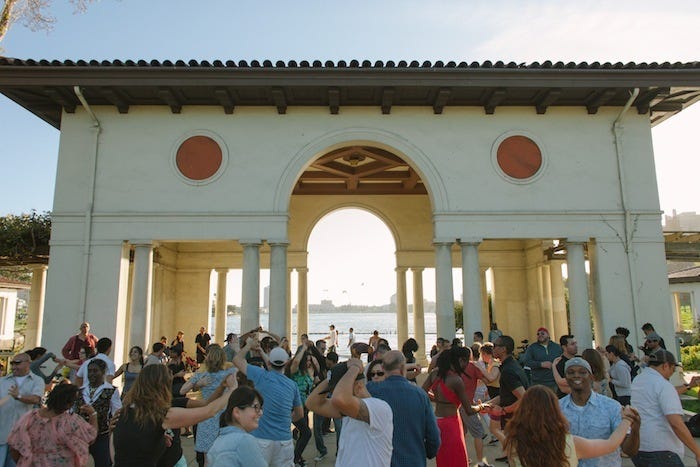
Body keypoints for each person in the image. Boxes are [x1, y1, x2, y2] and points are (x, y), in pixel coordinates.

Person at [113, 363, 236, 467]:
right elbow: (209, 411)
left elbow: (115, 452)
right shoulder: (161, 415)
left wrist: (158, 440)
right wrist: (232, 389)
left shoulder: (124, 412)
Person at [505, 385, 636, 466]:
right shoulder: (569, 443)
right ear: (555, 411)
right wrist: (627, 420)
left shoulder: (513, 443)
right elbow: (611, 445)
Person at [306, 359, 394, 467]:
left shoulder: (379, 408)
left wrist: (354, 368)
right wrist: (333, 376)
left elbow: (340, 399)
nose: (333, 395)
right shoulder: (347, 412)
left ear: (358, 387)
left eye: (338, 390)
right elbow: (312, 403)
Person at [233, 335, 303, 466]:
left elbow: (237, 360)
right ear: (286, 363)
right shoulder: (292, 385)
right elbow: (300, 414)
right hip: (284, 441)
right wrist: (286, 418)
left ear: (269, 362)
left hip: (261, 439)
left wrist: (249, 345)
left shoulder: (260, 376)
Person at [559, 357, 641, 467]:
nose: (576, 375)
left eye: (582, 372)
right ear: (565, 378)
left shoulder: (611, 407)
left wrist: (635, 430)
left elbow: (629, 450)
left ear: (591, 377)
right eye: (571, 372)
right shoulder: (557, 408)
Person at [367, 350, 440, 467]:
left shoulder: (372, 390)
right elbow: (434, 437)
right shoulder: (420, 395)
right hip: (414, 460)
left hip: (382, 461)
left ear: (383, 369)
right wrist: (424, 452)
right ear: (402, 368)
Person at [631, 349, 700, 466]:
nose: (672, 373)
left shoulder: (638, 380)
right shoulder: (663, 385)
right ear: (665, 365)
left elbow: (663, 393)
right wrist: (697, 452)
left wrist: (689, 386)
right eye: (673, 369)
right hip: (662, 449)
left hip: (639, 447)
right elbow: (676, 423)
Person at [422, 348, 486, 467]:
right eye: (467, 362)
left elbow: (422, 392)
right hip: (452, 423)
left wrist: (437, 399)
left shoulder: (435, 373)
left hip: (437, 421)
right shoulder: (456, 380)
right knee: (457, 459)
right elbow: (469, 410)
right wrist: (482, 406)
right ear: (461, 360)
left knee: (443, 459)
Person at [7, 383, 97, 466]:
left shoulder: (30, 417)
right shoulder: (71, 422)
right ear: (68, 404)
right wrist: (93, 414)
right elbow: (90, 437)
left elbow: (14, 446)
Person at [179, 344, 236, 466]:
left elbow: (182, 391)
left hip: (207, 416)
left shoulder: (202, 374)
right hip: (225, 416)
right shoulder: (230, 372)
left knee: (207, 458)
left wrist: (198, 384)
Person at [484, 335, 528, 463]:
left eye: (495, 346)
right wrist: (487, 404)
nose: (493, 348)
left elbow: (524, 397)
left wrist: (503, 410)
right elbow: (506, 394)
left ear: (503, 349)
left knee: (516, 459)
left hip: (515, 420)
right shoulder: (511, 365)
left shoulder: (508, 370)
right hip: (515, 420)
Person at [0, 352, 45, 467]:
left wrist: (18, 396)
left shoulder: (37, 381)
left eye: (17, 363)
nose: (14, 366)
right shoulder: (2, 381)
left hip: (21, 436)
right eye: (12, 363)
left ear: (28, 363)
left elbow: (36, 399)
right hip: (2, 433)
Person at [207, 386, 267, 467]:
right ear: (237, 412)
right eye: (256, 407)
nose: (261, 413)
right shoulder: (244, 440)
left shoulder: (218, 442)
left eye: (260, 408)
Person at [79, 358, 121, 467]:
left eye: (95, 371)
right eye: (89, 371)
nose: (91, 374)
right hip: (80, 436)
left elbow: (117, 413)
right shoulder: (81, 391)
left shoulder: (111, 391)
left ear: (103, 372)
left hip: (102, 436)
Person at [287, 341, 318, 466]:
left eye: (310, 360)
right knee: (306, 433)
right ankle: (296, 458)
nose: (309, 362)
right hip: (293, 407)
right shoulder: (295, 371)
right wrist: (303, 348)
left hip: (304, 407)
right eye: (307, 360)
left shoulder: (309, 372)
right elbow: (295, 362)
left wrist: (313, 356)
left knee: (304, 433)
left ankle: (297, 457)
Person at [523, 327, 562, 391]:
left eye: (542, 333)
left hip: (554, 382)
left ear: (548, 335)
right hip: (537, 382)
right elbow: (526, 361)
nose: (540, 335)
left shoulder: (557, 347)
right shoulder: (532, 348)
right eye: (538, 334)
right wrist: (541, 364)